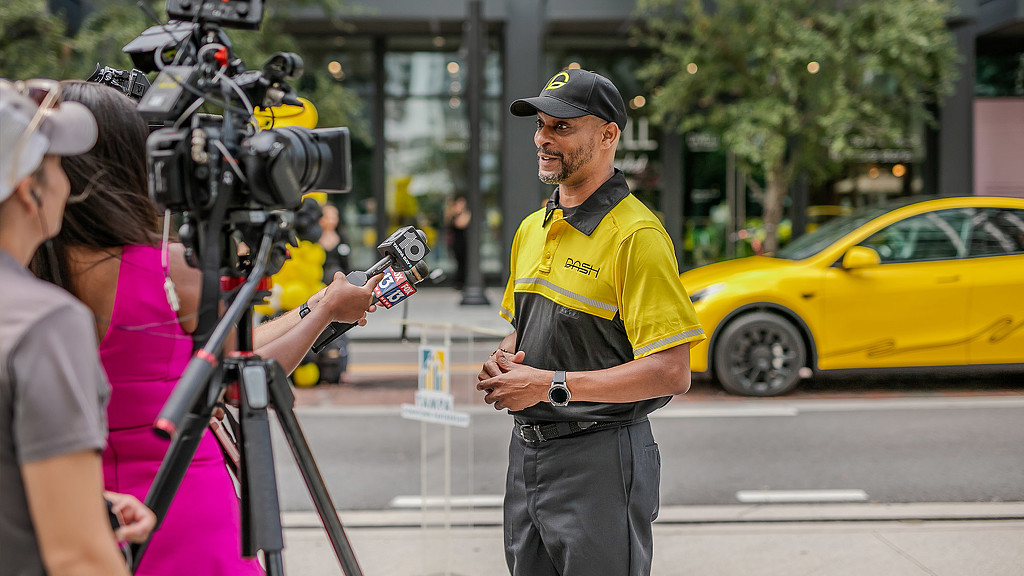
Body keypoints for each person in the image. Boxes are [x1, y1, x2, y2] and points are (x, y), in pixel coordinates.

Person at [29, 81, 382, 576]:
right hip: (183, 504)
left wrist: (317, 306)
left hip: (71, 504)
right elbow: (244, 377)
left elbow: (210, 355)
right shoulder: (175, 271)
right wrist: (323, 315)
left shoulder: (26, 270)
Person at [476, 69, 706, 576]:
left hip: (601, 460)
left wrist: (548, 385)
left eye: (562, 127)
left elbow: (672, 372)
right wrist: (505, 360)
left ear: (608, 135)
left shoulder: (637, 236)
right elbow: (524, 328)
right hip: (527, 456)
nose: (542, 138)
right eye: (541, 125)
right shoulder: (531, 229)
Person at [0, 78, 155, 576]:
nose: (70, 182)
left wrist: (82, 496)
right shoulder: (45, 322)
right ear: (29, 190)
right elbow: (79, 558)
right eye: (58, 165)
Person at [315, 202, 352, 383]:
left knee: (341, 325)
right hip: (318, 287)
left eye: (334, 216)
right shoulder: (314, 239)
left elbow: (347, 265)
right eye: (328, 216)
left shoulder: (342, 238)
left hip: (338, 287)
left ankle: (340, 366)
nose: (331, 220)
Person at [444, 194, 470, 289]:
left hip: (461, 242)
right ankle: (459, 283)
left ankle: (461, 282)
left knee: (462, 263)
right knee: (460, 263)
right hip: (457, 243)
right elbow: (461, 224)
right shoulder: (454, 215)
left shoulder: (453, 214)